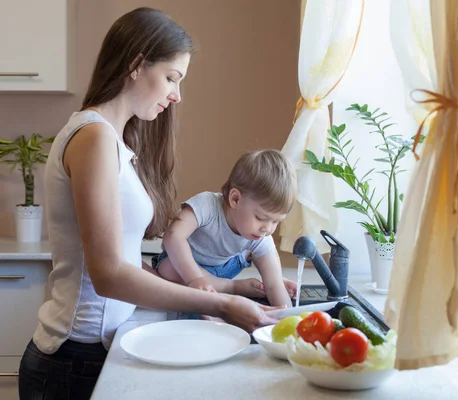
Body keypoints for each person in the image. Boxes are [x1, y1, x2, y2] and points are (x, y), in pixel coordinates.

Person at [18, 8, 280, 400]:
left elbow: (121, 258)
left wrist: (215, 288)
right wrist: (222, 303)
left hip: (94, 351)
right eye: (172, 78)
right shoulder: (93, 138)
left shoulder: (114, 141)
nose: (177, 96)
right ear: (137, 64)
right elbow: (107, 275)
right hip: (71, 360)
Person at [153, 149, 297, 308]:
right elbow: (172, 236)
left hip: (225, 267)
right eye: (261, 218)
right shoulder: (207, 205)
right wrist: (195, 279)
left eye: (276, 222)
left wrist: (287, 317)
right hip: (188, 264)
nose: (267, 229)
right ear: (235, 199)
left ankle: (229, 285)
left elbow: (274, 286)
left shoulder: (261, 235)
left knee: (267, 264)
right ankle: (233, 287)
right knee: (168, 269)